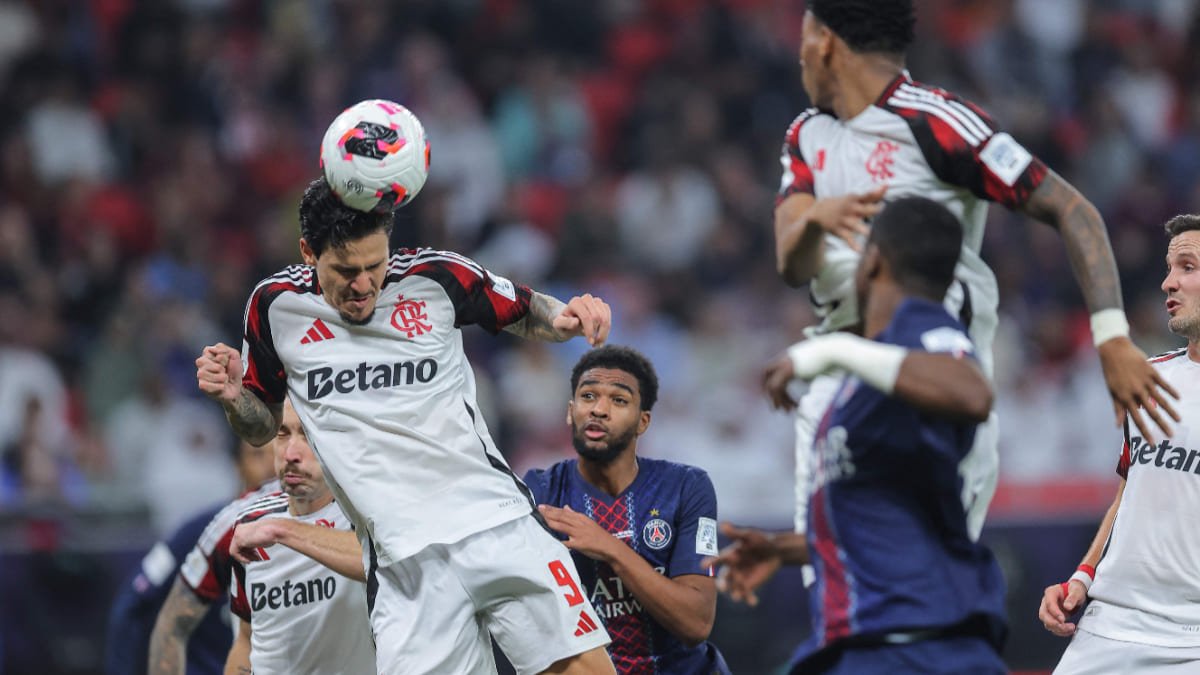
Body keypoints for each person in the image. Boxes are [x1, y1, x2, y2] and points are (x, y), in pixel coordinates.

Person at [773, 0, 1177, 567]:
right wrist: (814, 217)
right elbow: (790, 264)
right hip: (837, 391)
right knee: (842, 601)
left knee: (923, 591)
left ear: (827, 43)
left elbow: (1073, 209)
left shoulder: (937, 119)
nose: (798, 60)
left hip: (933, 386)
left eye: (803, 43)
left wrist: (1111, 337)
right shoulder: (806, 134)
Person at [195, 176, 616, 674]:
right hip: (403, 570)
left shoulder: (434, 276)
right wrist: (231, 397)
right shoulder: (274, 306)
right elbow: (261, 426)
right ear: (309, 251)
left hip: (497, 524)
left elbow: (526, 309)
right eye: (345, 270)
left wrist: (567, 319)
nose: (363, 285)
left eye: (374, 265)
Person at [715, 197, 1008, 673]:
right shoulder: (873, 371)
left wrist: (837, 348)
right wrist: (785, 548)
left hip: (916, 647)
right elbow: (884, 511)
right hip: (865, 644)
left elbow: (972, 392)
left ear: (872, 260)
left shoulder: (922, 330)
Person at [1038, 214, 1200, 673]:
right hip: (1107, 628)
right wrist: (1083, 575)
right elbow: (1130, 492)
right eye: (1170, 269)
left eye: (1187, 267)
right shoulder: (1149, 379)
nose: (1169, 283)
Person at [524, 345, 731, 675]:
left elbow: (695, 623)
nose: (599, 410)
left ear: (642, 421)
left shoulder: (685, 487)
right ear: (570, 411)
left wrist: (610, 548)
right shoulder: (539, 492)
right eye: (588, 396)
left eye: (619, 400)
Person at [224, 398, 375, 674]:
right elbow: (246, 640)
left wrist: (283, 531)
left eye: (307, 434)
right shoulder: (251, 523)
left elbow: (376, 560)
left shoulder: (365, 516)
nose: (291, 453)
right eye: (282, 434)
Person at [107, 438, 273, 675]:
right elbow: (133, 602)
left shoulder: (301, 536)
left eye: (276, 453)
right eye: (257, 455)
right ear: (237, 465)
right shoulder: (202, 531)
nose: (271, 466)